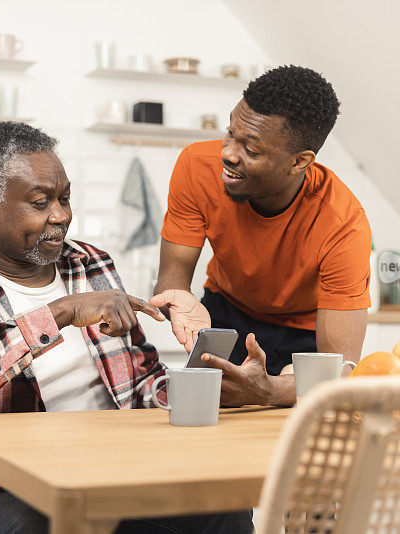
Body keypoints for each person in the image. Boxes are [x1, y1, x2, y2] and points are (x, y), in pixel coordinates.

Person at [0, 122, 252, 534]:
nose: (60, 215)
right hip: (6, 491)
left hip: (114, 472)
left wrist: (211, 387)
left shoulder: (91, 264)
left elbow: (140, 387)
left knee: (223, 509)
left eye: (64, 198)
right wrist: (60, 313)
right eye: (40, 202)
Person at [150, 66, 372, 407]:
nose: (228, 153)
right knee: (207, 419)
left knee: (294, 426)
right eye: (230, 134)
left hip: (305, 331)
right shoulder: (196, 167)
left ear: (300, 162)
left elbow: (341, 370)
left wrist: (271, 391)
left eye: (251, 151)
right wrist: (176, 301)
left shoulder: (343, 224)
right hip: (225, 312)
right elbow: (172, 285)